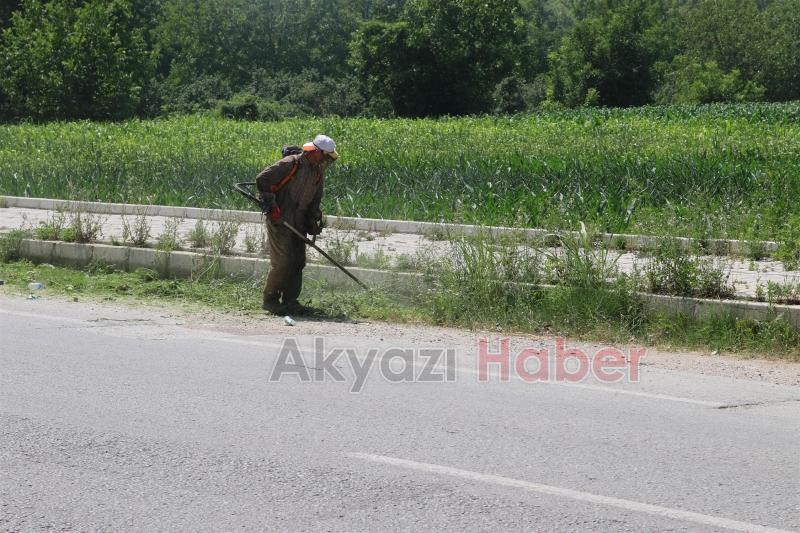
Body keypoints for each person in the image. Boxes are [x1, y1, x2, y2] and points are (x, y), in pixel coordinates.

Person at [255, 134, 338, 315]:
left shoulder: (317, 172)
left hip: (298, 223)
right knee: (283, 262)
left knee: (298, 262)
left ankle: (291, 301)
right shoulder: (290, 163)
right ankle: (270, 300)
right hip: (279, 220)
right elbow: (262, 179)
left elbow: (315, 201)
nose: (326, 160)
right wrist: (271, 205)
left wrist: (314, 221)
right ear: (315, 152)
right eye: (325, 156)